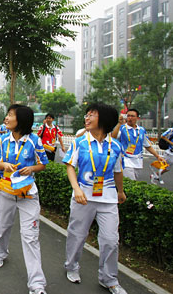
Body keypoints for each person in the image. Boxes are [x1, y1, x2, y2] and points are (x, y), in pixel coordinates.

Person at [63, 103, 127, 294]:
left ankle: (109, 278)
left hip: (108, 199)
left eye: (92, 115)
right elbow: (69, 166)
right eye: (87, 115)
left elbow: (118, 171)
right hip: (83, 198)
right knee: (77, 235)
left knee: (110, 239)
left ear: (105, 119)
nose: (87, 118)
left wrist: (120, 191)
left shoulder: (115, 145)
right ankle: (72, 266)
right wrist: (76, 189)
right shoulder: (80, 142)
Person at [0, 104, 49, 294]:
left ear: (21, 120)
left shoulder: (34, 140)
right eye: (7, 115)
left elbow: (43, 164)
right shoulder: (2, 139)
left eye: (10, 115)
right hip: (7, 192)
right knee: (3, 226)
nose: (6, 118)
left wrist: (31, 169)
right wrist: (5, 165)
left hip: (28, 195)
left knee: (30, 237)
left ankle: (37, 284)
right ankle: (0, 253)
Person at [111, 109, 165, 181]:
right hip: (125, 161)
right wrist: (119, 124)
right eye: (128, 116)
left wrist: (157, 156)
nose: (130, 118)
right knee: (131, 181)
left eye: (132, 116)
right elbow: (113, 138)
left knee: (134, 182)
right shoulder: (122, 128)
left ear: (137, 118)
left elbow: (147, 145)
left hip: (138, 161)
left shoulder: (141, 130)